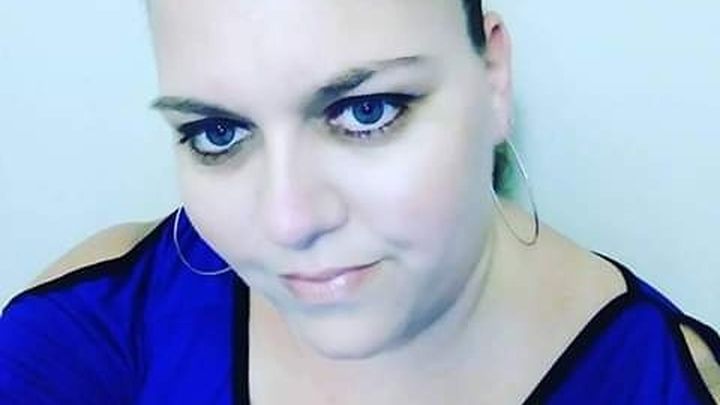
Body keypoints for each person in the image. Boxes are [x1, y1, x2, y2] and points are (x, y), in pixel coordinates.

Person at [1, 0, 719, 403]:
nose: (287, 221)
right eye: (218, 132)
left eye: (366, 111)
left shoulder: (667, 386)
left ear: (493, 75)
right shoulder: (98, 326)